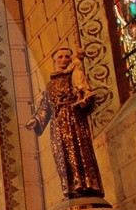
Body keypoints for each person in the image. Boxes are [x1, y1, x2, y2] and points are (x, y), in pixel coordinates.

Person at [25, 48, 104, 199]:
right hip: (59, 123)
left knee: (81, 150)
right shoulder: (50, 85)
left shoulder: (75, 75)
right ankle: (71, 188)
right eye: (60, 57)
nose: (64, 59)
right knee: (63, 154)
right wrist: (35, 120)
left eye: (67, 56)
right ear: (55, 61)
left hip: (76, 119)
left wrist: (84, 101)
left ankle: (87, 184)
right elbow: (45, 107)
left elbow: (85, 93)